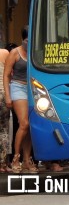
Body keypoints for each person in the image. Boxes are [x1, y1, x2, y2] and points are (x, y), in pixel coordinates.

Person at [3, 26, 37, 173]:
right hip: (18, 87)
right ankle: (16, 158)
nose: (28, 43)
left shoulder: (35, 52)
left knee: (30, 126)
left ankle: (27, 160)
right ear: (23, 39)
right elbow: (6, 75)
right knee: (24, 123)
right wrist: (8, 95)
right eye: (26, 40)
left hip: (33, 89)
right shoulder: (14, 53)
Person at [0, 43, 9, 173]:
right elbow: (9, 74)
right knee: (3, 129)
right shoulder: (4, 53)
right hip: (2, 94)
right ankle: (2, 164)